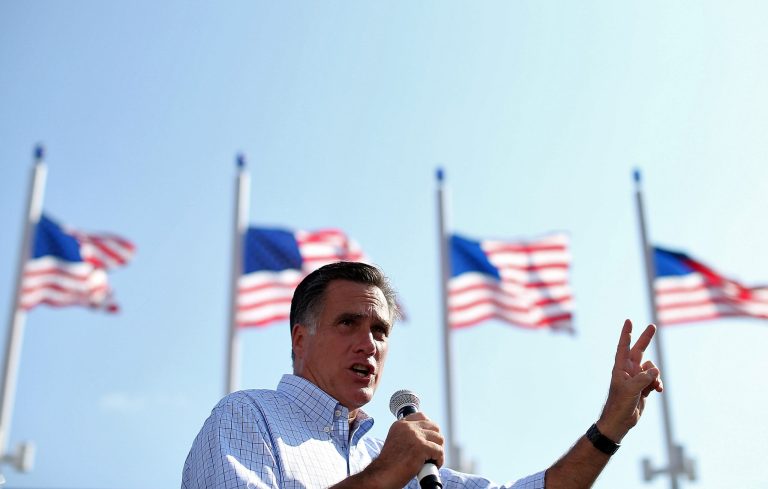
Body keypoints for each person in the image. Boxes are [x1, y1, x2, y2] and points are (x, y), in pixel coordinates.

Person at [181, 261, 663, 488]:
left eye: (380, 330)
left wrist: (610, 428)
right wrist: (386, 474)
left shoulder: (406, 462)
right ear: (300, 340)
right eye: (348, 322)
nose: (368, 343)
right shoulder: (246, 418)